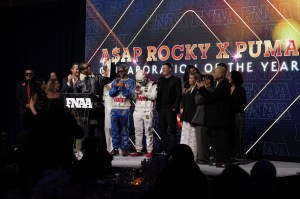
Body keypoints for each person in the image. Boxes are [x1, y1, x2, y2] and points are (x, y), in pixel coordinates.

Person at [197, 65, 231, 167]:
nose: (214, 74)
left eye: (215, 72)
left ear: (220, 74)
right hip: (216, 118)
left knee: (219, 140)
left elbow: (212, 99)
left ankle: (223, 160)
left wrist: (202, 89)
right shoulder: (219, 84)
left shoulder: (223, 84)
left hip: (219, 118)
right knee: (215, 140)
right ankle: (219, 160)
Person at [76, 62, 106, 149]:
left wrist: (106, 64)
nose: (88, 68)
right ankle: (88, 153)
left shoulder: (97, 77)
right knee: (87, 132)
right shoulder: (78, 82)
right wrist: (78, 114)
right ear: (81, 70)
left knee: (100, 132)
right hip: (85, 111)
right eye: (85, 68)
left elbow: (108, 76)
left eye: (89, 66)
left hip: (98, 109)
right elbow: (77, 98)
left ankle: (102, 152)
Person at [109, 65, 135, 156]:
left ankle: (124, 149)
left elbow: (131, 95)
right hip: (115, 107)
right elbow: (111, 94)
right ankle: (115, 148)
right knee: (114, 129)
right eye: (119, 72)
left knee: (124, 129)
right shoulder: (115, 81)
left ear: (126, 71)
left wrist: (123, 87)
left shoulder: (131, 82)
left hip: (125, 108)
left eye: (121, 71)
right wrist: (116, 87)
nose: (120, 73)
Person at [131, 69, 157, 159]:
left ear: (145, 77)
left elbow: (154, 96)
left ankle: (149, 150)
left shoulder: (153, 84)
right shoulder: (137, 84)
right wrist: (135, 93)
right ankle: (138, 150)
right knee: (138, 131)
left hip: (147, 110)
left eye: (141, 81)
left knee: (148, 131)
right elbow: (134, 98)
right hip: (137, 110)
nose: (140, 83)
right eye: (139, 82)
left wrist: (143, 92)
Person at [156, 63, 182, 153]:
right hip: (161, 109)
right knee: (162, 130)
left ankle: (173, 150)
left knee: (172, 130)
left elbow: (179, 95)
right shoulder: (160, 80)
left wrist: (175, 106)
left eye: (165, 68)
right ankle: (164, 149)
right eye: (162, 68)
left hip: (170, 109)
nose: (163, 69)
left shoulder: (176, 80)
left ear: (170, 69)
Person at [192, 74, 215, 164]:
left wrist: (199, 89)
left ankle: (203, 159)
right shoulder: (212, 89)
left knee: (201, 141)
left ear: (208, 80)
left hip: (202, 117)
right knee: (204, 140)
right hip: (205, 118)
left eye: (203, 79)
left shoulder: (208, 90)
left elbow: (198, 100)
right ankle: (203, 158)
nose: (201, 81)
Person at [179, 72, 200, 160]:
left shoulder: (198, 89)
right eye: (189, 78)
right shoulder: (188, 89)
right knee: (185, 135)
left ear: (196, 79)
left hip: (193, 116)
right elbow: (184, 100)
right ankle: (184, 154)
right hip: (186, 116)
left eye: (191, 78)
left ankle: (193, 155)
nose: (190, 80)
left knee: (192, 136)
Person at [229, 70, 247, 162]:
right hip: (228, 115)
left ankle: (236, 154)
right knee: (229, 135)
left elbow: (243, 104)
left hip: (238, 115)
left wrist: (232, 108)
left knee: (237, 134)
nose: (228, 78)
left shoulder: (241, 90)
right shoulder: (227, 88)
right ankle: (229, 153)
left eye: (230, 76)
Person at [16, 68, 39, 133]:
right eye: (27, 74)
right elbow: (18, 97)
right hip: (23, 110)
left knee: (34, 129)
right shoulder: (20, 85)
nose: (28, 75)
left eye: (30, 74)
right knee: (23, 130)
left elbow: (37, 96)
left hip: (33, 109)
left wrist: (32, 105)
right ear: (25, 75)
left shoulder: (36, 84)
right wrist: (25, 105)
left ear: (33, 75)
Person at [102, 59, 117, 152]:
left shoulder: (116, 81)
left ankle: (115, 147)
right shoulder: (102, 80)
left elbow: (113, 92)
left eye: (107, 68)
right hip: (104, 105)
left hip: (113, 104)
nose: (105, 70)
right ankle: (108, 148)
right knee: (106, 128)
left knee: (113, 127)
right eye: (104, 68)